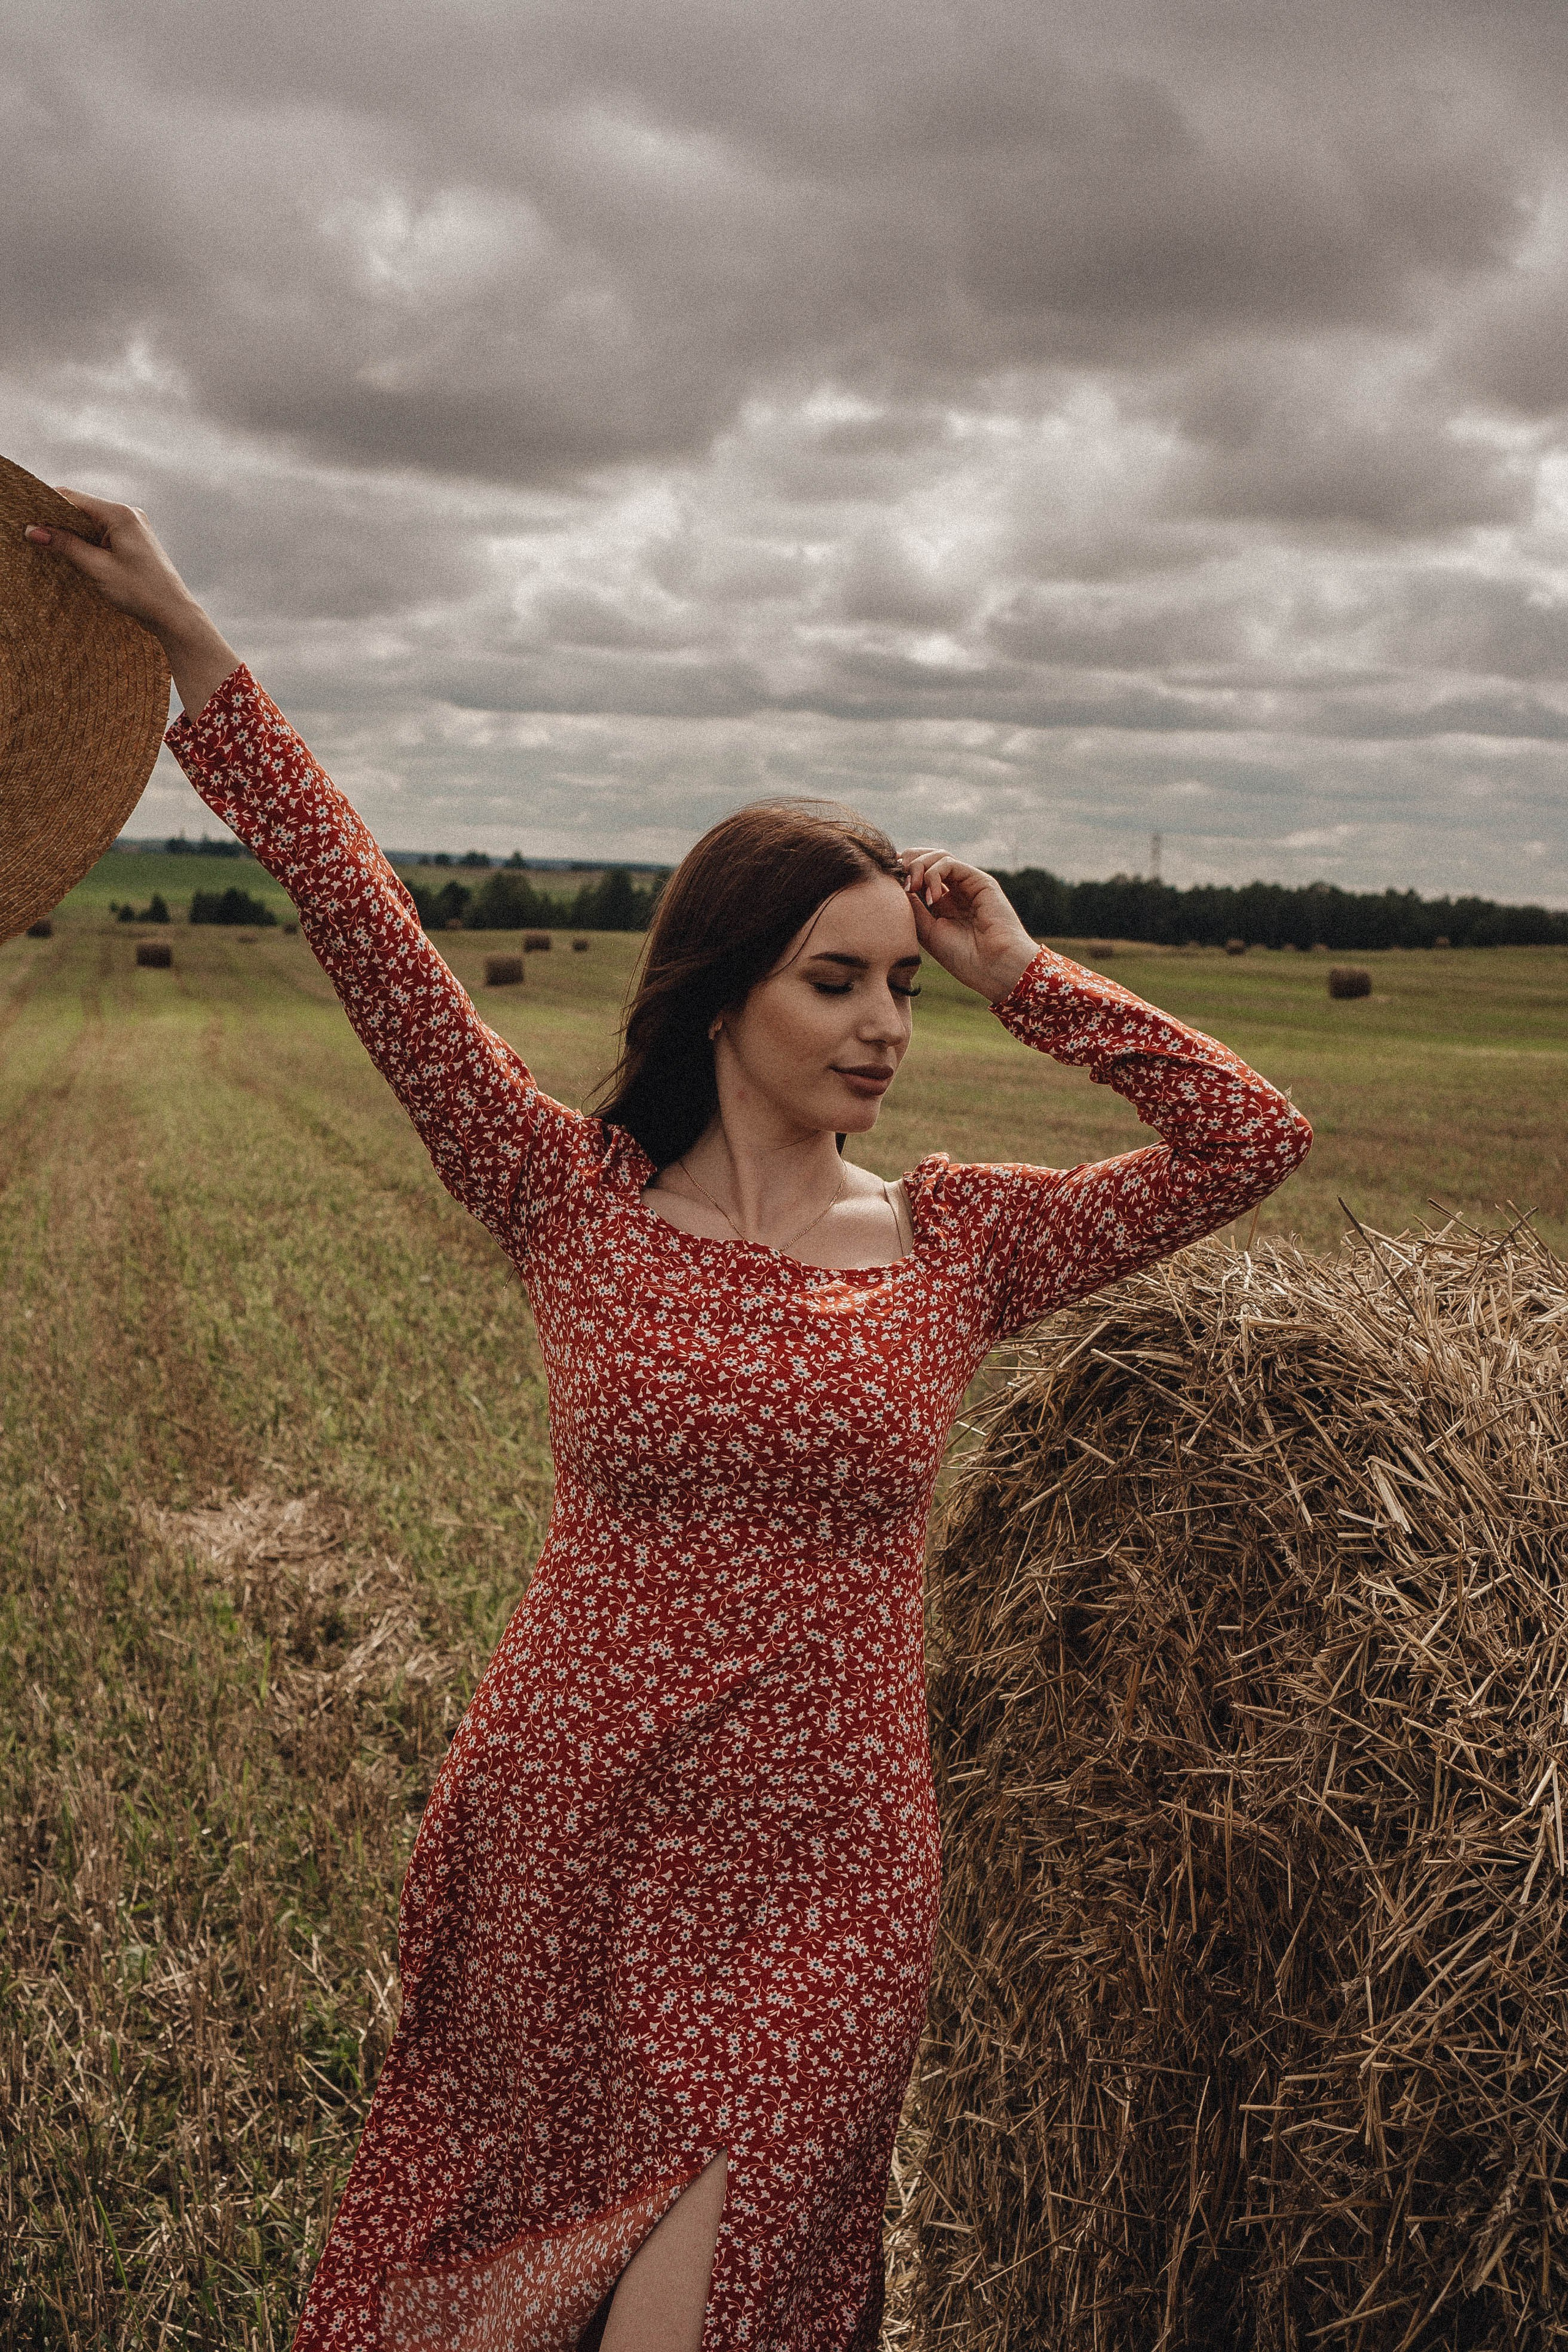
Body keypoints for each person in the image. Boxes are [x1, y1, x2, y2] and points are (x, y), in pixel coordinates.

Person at [28, 495, 1312, 2352]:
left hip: (833, 1864)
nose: (884, 1023)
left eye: (895, 983)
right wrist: (191, 644)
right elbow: (369, 927)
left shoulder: (964, 1241)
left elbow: (1250, 1142)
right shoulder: (568, 1196)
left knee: (710, 2309)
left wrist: (1017, 974)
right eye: (836, 978)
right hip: (571, 1827)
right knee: (501, 2296)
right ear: (723, 994)